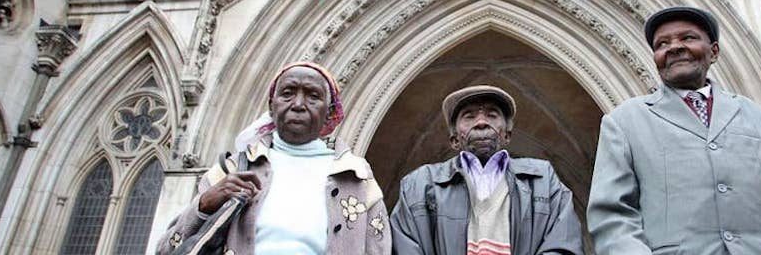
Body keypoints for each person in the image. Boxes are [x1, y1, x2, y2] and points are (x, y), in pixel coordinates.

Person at [587, 7, 761, 254]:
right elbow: (612, 216)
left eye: (687, 38)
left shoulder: (759, 119)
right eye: (662, 44)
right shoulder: (625, 122)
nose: (674, 47)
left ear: (714, 52)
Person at [158, 61, 391, 254]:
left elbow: (379, 249)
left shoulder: (358, 179)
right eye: (288, 93)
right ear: (272, 106)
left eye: (313, 96)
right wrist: (205, 204)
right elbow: (167, 249)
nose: (298, 104)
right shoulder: (232, 169)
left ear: (329, 111)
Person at [389, 84, 583, 255]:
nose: (481, 122)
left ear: (507, 134)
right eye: (469, 116)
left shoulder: (543, 180)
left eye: (492, 114)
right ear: (454, 139)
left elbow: (563, 246)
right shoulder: (418, 186)